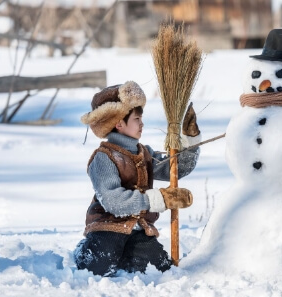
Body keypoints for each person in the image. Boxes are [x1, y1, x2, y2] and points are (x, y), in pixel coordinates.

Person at [74, 81, 201, 276]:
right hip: (107, 226)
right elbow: (113, 201)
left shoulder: (144, 154)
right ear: (119, 123)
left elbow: (175, 169)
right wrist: (159, 199)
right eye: (137, 119)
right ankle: (85, 250)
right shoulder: (104, 158)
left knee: (159, 268)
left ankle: (127, 254)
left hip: (138, 229)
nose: (142, 124)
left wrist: (190, 140)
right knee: (100, 266)